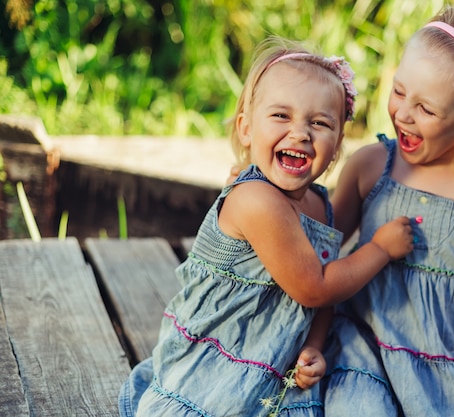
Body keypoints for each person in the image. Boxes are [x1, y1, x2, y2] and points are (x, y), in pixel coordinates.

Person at [117, 36, 414, 417]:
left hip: (273, 367)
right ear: (246, 128)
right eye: (281, 116)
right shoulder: (256, 200)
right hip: (216, 372)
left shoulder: (319, 205)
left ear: (337, 146)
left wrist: (315, 346)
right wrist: (380, 249)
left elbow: (322, 300)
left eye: (320, 123)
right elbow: (315, 286)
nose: (300, 133)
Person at [322, 6, 454, 416]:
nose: (403, 114)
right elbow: (319, 244)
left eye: (426, 109)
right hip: (358, 347)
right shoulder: (370, 167)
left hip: (441, 364)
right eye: (399, 91)